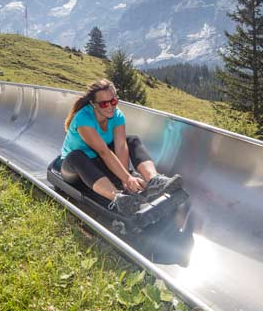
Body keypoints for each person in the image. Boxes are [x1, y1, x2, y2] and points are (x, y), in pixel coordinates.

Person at [61, 79, 182, 215]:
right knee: (77, 156)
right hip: (75, 169)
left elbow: (121, 146)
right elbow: (103, 152)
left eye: (113, 101)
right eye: (104, 104)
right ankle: (118, 198)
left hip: (99, 163)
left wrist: (125, 180)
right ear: (93, 104)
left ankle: (154, 180)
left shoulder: (117, 115)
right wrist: (127, 178)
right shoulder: (83, 119)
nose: (110, 107)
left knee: (132, 140)